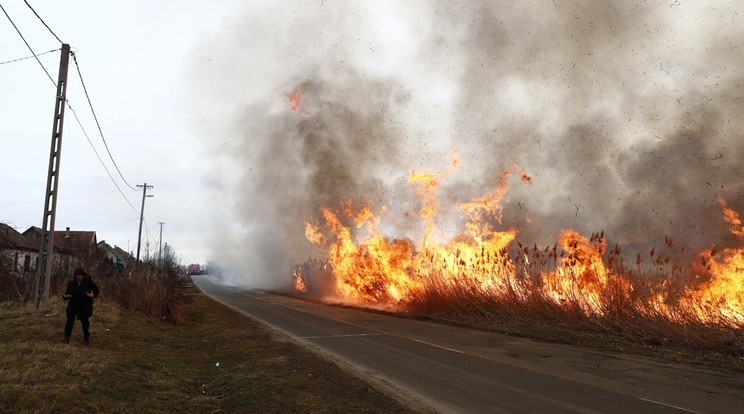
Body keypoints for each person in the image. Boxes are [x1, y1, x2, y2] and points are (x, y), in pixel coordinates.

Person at [62, 267, 100, 345]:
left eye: (79, 275)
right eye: (76, 275)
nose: (78, 277)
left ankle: (86, 337)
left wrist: (92, 295)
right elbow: (68, 293)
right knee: (69, 321)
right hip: (73, 305)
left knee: (84, 322)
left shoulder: (88, 282)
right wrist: (65, 297)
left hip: (84, 306)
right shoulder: (71, 283)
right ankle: (66, 338)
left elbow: (96, 290)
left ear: (83, 275)